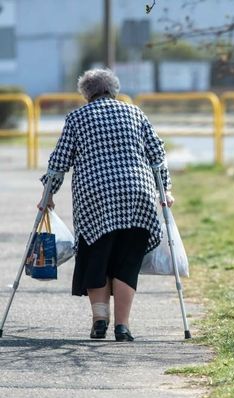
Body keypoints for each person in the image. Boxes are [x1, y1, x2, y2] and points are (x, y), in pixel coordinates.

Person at [39, 68, 174, 342]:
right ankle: (122, 327)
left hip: (96, 199)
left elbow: (59, 163)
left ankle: (100, 321)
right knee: (127, 261)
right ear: (114, 89)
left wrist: (47, 195)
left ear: (86, 94)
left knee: (96, 256)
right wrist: (165, 190)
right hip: (138, 195)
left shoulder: (78, 118)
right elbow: (157, 156)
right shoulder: (135, 113)